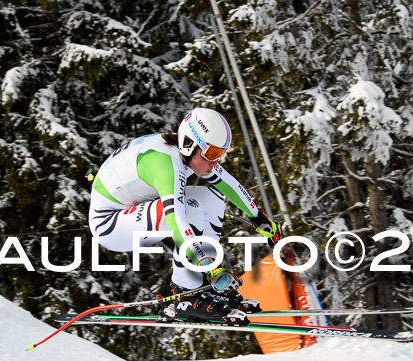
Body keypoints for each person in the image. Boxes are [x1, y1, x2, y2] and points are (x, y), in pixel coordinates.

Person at [89, 107, 281, 326]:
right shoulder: (165, 164)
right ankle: (186, 296)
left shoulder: (187, 152)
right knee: (189, 207)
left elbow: (227, 184)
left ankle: (201, 289)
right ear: (190, 144)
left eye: (220, 154)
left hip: (134, 209)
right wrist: (208, 264)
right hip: (110, 225)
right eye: (212, 154)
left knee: (212, 197)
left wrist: (259, 218)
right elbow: (176, 221)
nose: (215, 162)